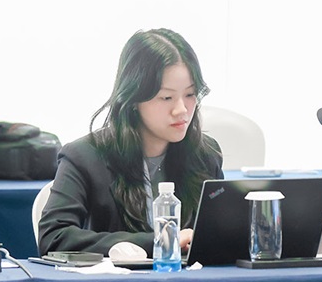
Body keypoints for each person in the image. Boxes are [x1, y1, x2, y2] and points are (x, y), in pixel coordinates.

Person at [38, 28, 224, 257]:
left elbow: (220, 233)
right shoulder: (84, 157)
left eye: (190, 94)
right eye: (167, 97)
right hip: (114, 279)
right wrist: (159, 241)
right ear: (134, 99)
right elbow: (53, 237)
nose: (181, 110)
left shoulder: (206, 154)